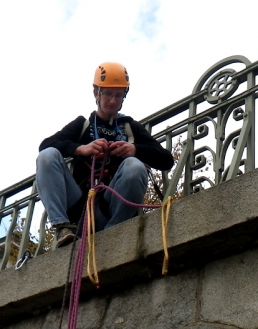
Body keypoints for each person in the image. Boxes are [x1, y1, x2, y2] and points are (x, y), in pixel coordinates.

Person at [35, 62, 174, 248]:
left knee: (134, 165)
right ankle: (62, 226)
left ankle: (113, 233)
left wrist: (135, 150)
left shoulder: (129, 127)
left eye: (118, 95)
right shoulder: (82, 124)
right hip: (79, 206)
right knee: (48, 155)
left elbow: (166, 160)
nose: (113, 101)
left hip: (110, 207)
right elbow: (46, 145)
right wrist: (80, 149)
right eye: (108, 94)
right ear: (96, 93)